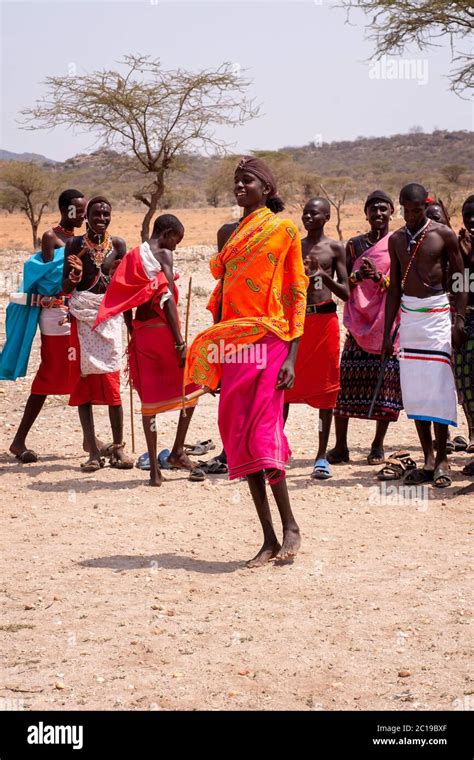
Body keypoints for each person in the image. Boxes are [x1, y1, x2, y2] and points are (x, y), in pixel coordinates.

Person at [186, 156, 308, 567]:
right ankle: (269, 538)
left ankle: (290, 526)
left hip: (271, 339)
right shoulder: (232, 233)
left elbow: (296, 291)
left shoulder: (283, 229)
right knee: (237, 436)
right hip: (235, 345)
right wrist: (217, 360)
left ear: (267, 189)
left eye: (248, 181)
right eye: (237, 182)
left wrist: (292, 355)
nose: (240, 187)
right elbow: (221, 300)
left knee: (263, 435)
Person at [95, 214, 205, 486]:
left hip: (142, 334)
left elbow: (123, 300)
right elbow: (166, 297)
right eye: (176, 240)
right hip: (163, 333)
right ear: (166, 233)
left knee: (150, 403)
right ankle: (178, 451)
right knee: (191, 390)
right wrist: (179, 341)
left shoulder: (133, 256)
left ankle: (155, 470)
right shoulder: (163, 254)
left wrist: (133, 331)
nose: (176, 248)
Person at [382, 183, 467, 488]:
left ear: (425, 206)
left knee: (438, 387)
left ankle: (444, 458)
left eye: (417, 210)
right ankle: (429, 458)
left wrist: (458, 319)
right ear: (401, 207)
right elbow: (393, 289)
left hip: (437, 316)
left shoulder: (442, 234)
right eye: (407, 210)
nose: (412, 215)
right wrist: (387, 331)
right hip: (410, 319)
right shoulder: (396, 240)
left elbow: (461, 277)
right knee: (416, 388)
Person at [2, 189, 86, 462]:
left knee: (80, 370)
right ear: (64, 209)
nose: (82, 213)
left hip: (80, 312)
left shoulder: (84, 239)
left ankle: (89, 439)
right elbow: (47, 278)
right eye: (77, 209)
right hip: (55, 313)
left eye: (84, 209)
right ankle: (19, 440)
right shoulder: (52, 237)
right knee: (52, 371)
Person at [328, 191, 402, 466]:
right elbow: (345, 284)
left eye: (383, 209)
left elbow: (402, 284)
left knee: (385, 387)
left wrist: (379, 277)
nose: (379, 214)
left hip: (387, 323)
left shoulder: (397, 242)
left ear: (392, 211)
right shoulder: (354, 245)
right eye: (373, 209)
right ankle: (340, 447)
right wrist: (361, 275)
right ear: (366, 214)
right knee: (344, 385)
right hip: (358, 323)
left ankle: (377, 446)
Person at [62, 196, 133, 472]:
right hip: (82, 318)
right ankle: (92, 450)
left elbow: (125, 289)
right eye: (96, 214)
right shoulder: (74, 245)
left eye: (106, 214)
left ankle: (118, 449)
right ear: (87, 217)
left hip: (110, 318)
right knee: (84, 385)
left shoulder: (118, 245)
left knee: (113, 383)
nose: (101, 219)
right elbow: (65, 288)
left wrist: (131, 326)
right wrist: (76, 278)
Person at [283, 197, 349, 479]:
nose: (308, 217)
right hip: (295, 321)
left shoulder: (335, 248)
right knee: (283, 388)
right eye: (305, 213)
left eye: (314, 213)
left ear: (325, 217)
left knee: (326, 392)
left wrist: (323, 275)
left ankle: (321, 456)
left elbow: (346, 292)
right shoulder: (293, 246)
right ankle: (276, 449)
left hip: (324, 321)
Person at [454, 195, 474, 475]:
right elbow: (461, 284)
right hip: (466, 320)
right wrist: (465, 259)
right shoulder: (461, 247)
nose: (472, 220)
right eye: (468, 215)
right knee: (467, 387)